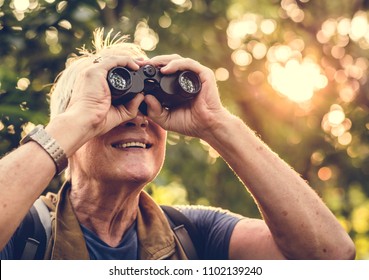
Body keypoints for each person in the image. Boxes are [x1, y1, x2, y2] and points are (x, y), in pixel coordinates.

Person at [0, 29, 355, 260]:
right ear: (72, 124)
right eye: (114, 105)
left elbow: (330, 258)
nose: (138, 117)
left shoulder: (193, 235)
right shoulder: (25, 233)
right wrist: (79, 119)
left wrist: (217, 123)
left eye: (150, 105)